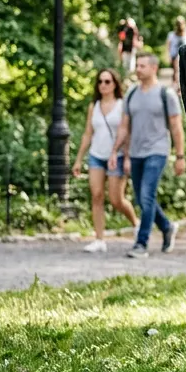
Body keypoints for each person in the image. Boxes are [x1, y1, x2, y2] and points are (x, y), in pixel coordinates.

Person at [109, 54, 185, 259]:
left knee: (146, 195)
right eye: (137, 65)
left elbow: (176, 127)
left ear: (154, 68)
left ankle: (141, 243)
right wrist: (116, 151)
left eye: (142, 66)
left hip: (157, 151)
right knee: (143, 199)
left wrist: (180, 156)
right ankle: (167, 226)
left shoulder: (165, 94)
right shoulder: (131, 94)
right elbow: (125, 127)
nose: (138, 69)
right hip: (135, 152)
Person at [70, 68, 139, 252]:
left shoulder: (122, 105)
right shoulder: (94, 106)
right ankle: (99, 239)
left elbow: (128, 133)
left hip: (116, 157)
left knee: (116, 199)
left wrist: (127, 157)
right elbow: (87, 134)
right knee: (97, 196)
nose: (103, 85)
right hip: (96, 156)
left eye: (107, 82)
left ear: (115, 84)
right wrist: (78, 159)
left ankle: (136, 224)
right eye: (100, 82)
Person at [167, 17, 186, 89]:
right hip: (174, 55)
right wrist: (169, 55)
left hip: (184, 55)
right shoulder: (171, 34)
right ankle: (176, 86)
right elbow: (168, 45)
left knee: (180, 71)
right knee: (176, 71)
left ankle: (179, 85)